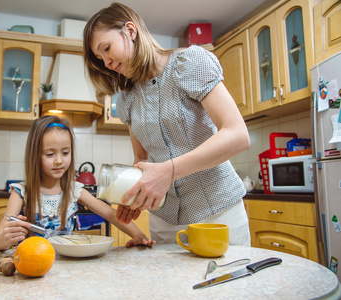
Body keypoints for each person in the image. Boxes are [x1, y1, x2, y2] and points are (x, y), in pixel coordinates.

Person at [83, 3, 251, 245]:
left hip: (219, 213)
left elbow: (237, 135)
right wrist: (133, 198)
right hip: (164, 221)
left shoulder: (189, 63)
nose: (107, 63)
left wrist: (168, 170)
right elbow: (142, 162)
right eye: (101, 58)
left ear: (130, 31)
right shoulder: (127, 99)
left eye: (107, 48)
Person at [0, 115, 155, 250]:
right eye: (49, 154)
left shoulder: (73, 190)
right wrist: (5, 239)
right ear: (34, 155)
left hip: (65, 267)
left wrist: (139, 236)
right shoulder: (21, 192)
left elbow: (111, 215)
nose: (58, 161)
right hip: (31, 263)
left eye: (65, 152)